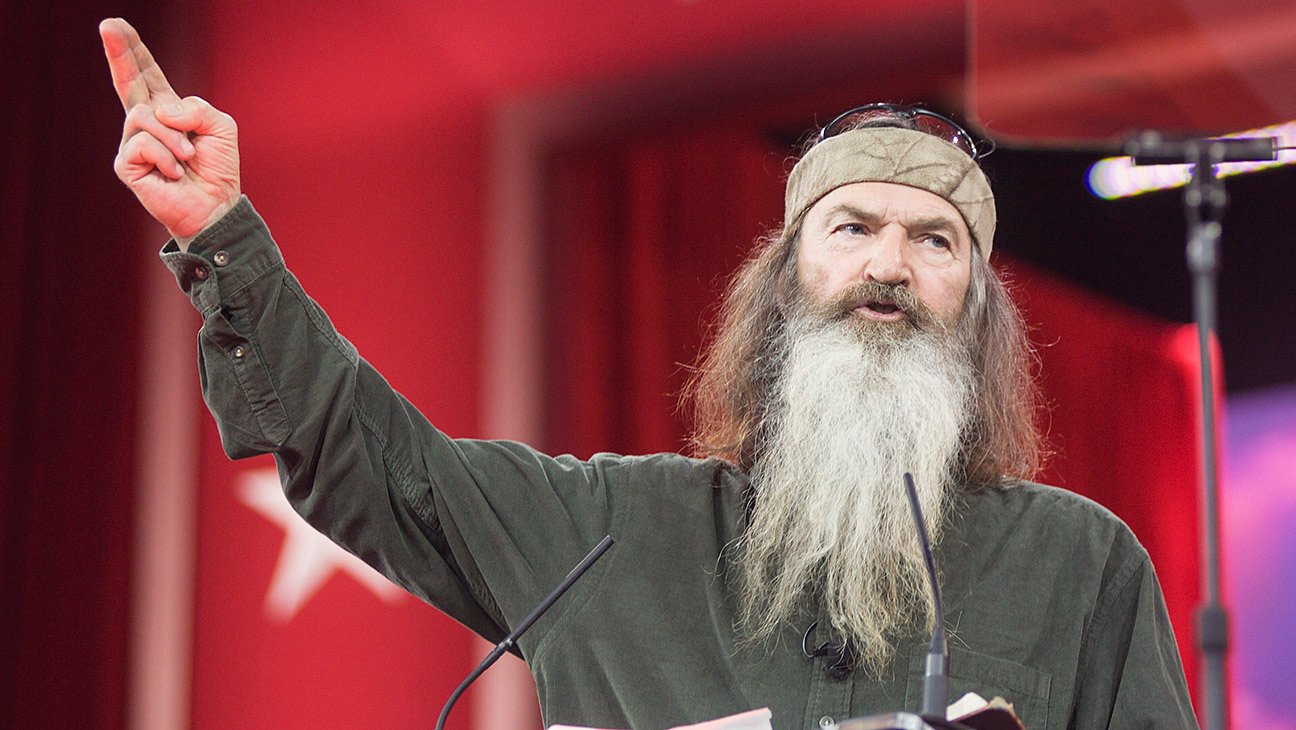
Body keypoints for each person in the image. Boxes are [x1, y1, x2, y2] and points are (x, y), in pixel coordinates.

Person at [100, 17, 1198, 730]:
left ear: (981, 311)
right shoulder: (608, 532)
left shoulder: (1079, 563)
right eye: (853, 227)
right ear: (783, 286)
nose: (889, 267)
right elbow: (377, 464)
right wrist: (223, 236)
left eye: (934, 241)